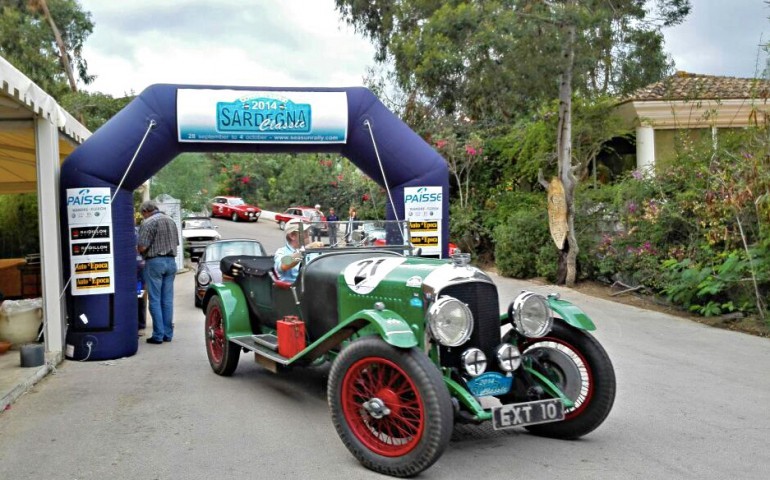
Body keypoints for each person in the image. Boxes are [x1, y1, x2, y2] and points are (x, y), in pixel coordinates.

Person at [137, 200, 179, 345]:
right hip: (171, 262)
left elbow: (142, 247)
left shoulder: (148, 222)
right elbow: (176, 243)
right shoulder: (171, 221)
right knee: (167, 300)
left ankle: (158, 335)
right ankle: (168, 334)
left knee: (154, 299)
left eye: (142, 214)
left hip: (155, 262)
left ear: (145, 211)